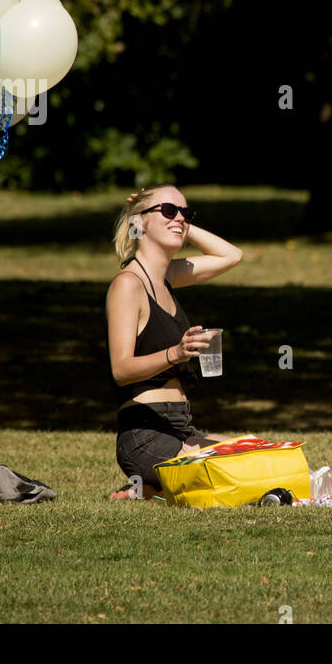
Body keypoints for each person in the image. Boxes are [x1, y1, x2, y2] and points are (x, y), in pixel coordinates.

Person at [106, 184, 244, 500]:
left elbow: (231, 255)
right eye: (169, 210)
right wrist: (176, 353)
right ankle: (150, 486)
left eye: (186, 212)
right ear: (138, 223)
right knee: (230, 476)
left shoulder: (167, 277)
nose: (179, 218)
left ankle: (150, 489)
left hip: (181, 427)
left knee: (253, 456)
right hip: (144, 434)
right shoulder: (128, 284)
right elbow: (122, 369)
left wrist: (178, 222)